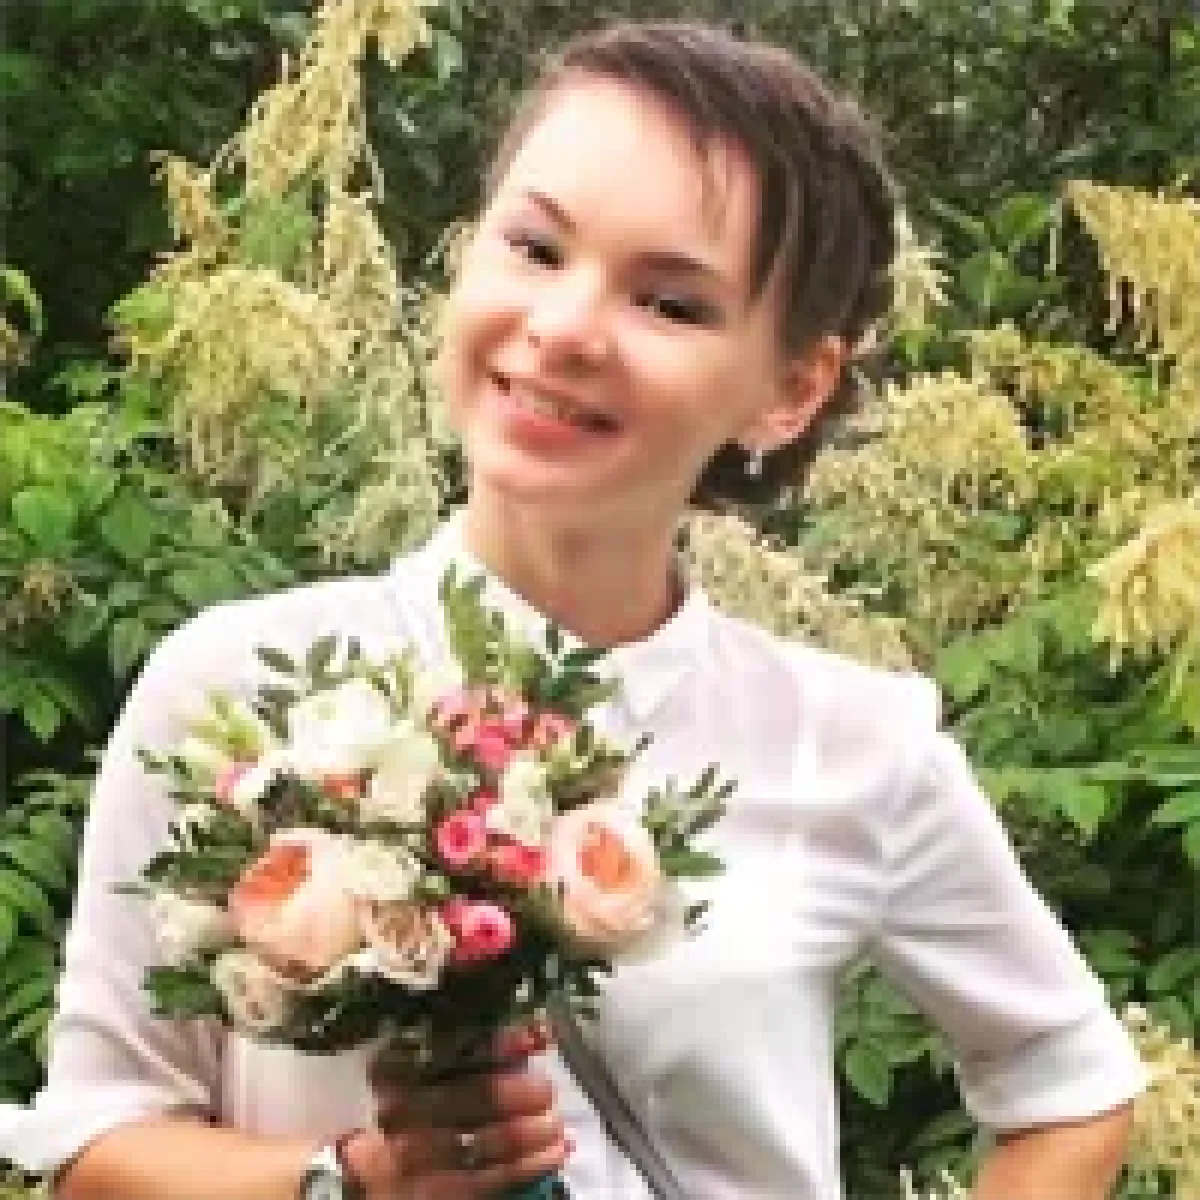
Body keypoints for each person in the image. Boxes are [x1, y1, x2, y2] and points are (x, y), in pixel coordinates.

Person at [0, 18, 1147, 1200]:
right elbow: (97, 1145)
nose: (562, 328)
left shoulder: (851, 742)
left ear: (792, 388)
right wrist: (345, 1182)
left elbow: (1072, 1092)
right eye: (536, 248)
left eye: (672, 304)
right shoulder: (238, 693)